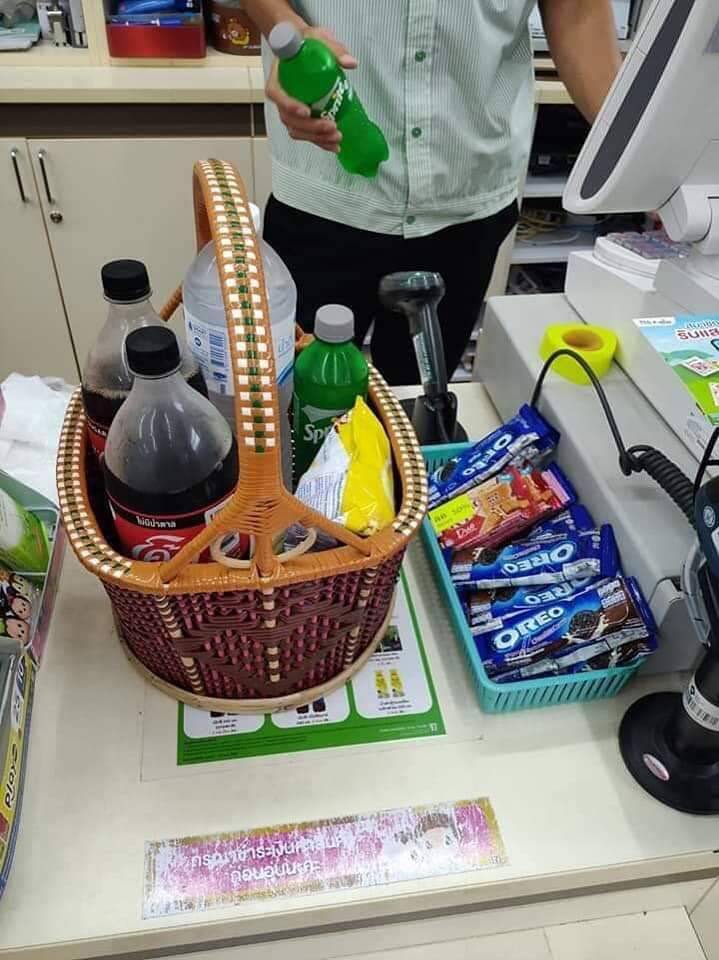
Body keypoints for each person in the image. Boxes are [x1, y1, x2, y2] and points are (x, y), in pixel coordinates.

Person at [245, 0, 621, 385]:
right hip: (324, 189)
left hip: (467, 194)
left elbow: (577, 10)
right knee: (299, 398)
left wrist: (636, 154)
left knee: (421, 398)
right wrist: (286, 30)